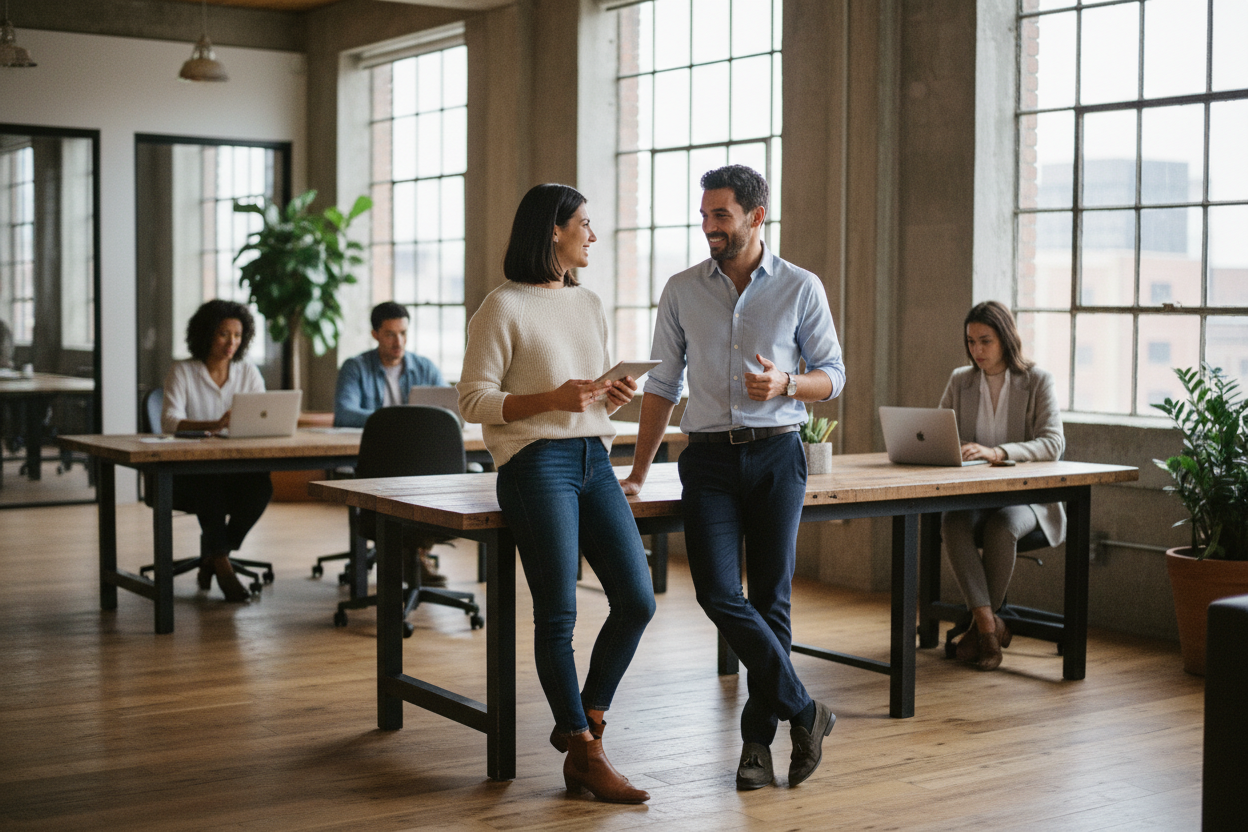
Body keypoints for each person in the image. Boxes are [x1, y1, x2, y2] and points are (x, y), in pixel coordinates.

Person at [621, 165, 846, 791]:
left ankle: (755, 748)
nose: (709, 227)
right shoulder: (681, 288)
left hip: (778, 453)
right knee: (718, 592)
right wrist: (640, 472)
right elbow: (662, 387)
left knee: (771, 602)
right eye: (704, 215)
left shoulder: (800, 287)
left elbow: (832, 375)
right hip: (710, 460)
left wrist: (786, 384)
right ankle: (806, 709)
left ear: (756, 216)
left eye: (721, 215)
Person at [458, 183, 656, 804]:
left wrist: (608, 396)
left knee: (637, 598)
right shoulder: (502, 307)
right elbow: (472, 401)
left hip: (594, 456)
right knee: (559, 615)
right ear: (553, 231)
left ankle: (585, 726)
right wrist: (553, 399)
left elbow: (583, 391)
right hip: (534, 463)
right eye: (585, 225)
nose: (593, 236)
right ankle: (584, 748)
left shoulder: (588, 303)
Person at [938, 300, 1065, 671]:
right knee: (952, 522)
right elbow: (941, 433)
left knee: (1002, 527)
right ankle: (990, 626)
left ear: (1006, 339)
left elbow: (1053, 443)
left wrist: (998, 452)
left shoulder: (1037, 380)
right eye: (971, 342)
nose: (976, 350)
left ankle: (981, 631)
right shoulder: (961, 381)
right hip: (975, 496)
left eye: (985, 341)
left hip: (1028, 500)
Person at [161, 299, 273, 603]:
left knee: (261, 488)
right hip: (187, 471)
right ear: (207, 333)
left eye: (237, 335)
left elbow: (261, 414)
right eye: (224, 334)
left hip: (234, 466)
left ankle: (216, 554)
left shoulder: (247, 372)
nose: (231, 343)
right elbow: (170, 423)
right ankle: (223, 566)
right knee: (208, 486)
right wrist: (216, 423)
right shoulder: (183, 371)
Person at [334, 300, 449, 586]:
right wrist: (396, 421)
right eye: (390, 334)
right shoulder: (355, 367)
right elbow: (344, 413)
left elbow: (447, 412)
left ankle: (415, 550)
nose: (398, 342)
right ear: (375, 334)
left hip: (420, 461)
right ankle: (411, 554)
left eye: (403, 333)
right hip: (378, 462)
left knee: (452, 474)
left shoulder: (425, 368)